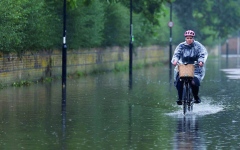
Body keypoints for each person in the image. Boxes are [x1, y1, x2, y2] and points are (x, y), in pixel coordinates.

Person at [171, 30, 208, 105]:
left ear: (193, 38)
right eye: (187, 38)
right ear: (185, 38)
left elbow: (202, 53)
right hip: (183, 67)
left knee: (194, 82)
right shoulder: (181, 46)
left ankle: (196, 96)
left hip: (195, 68)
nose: (189, 39)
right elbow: (176, 54)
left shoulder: (198, 45)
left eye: (191, 38)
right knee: (179, 81)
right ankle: (180, 98)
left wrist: (201, 61)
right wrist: (175, 61)